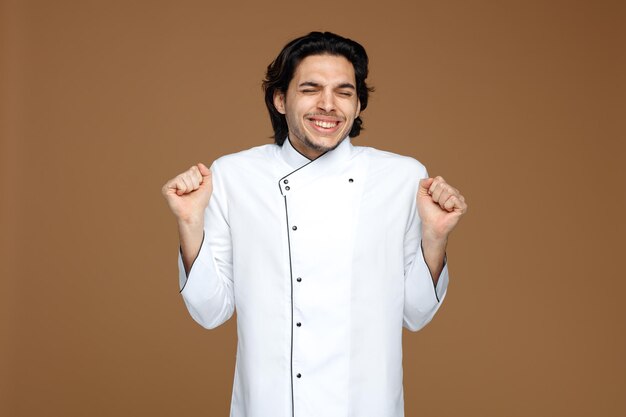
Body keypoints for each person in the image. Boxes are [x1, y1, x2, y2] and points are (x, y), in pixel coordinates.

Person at [161, 31, 467, 417]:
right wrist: (190, 223)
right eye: (310, 89)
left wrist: (435, 237)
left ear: (358, 106)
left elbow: (416, 314)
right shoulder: (234, 175)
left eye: (344, 92)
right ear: (280, 99)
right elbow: (209, 312)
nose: (328, 105)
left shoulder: (402, 178)